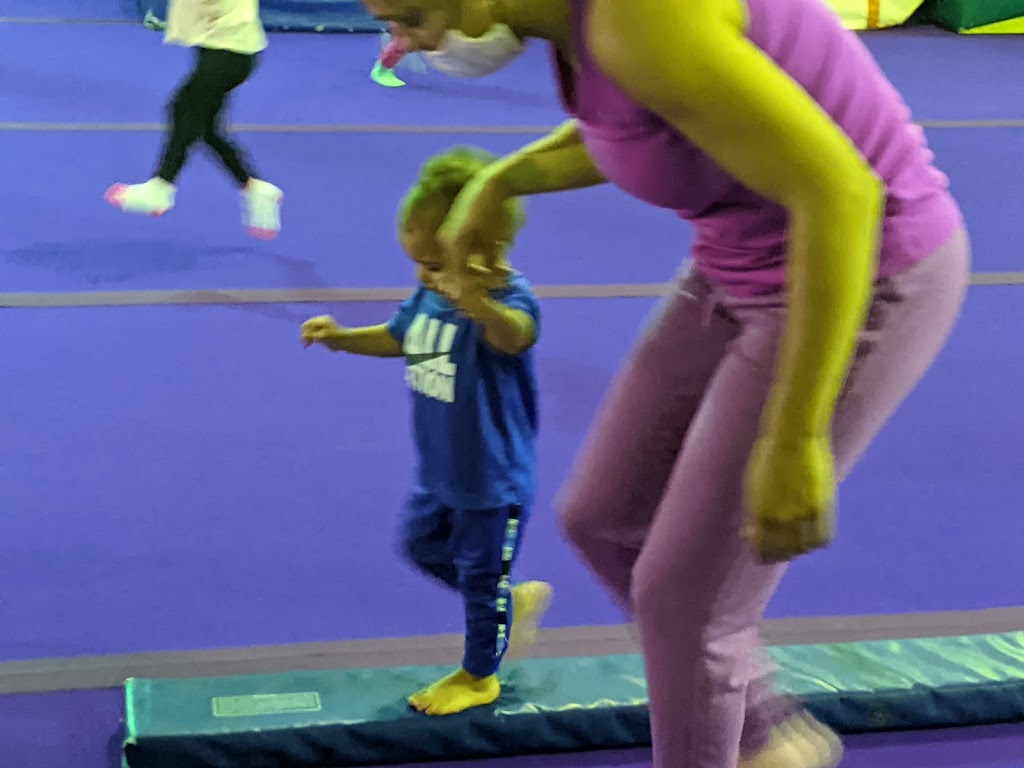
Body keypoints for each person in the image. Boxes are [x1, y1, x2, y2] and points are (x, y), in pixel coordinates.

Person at [360, 0, 970, 766]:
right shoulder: (577, 26)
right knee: (602, 518)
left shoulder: (642, 20)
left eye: (411, 17)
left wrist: (795, 435)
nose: (402, 44)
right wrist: (500, 182)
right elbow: (640, 128)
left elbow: (843, 194)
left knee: (686, 601)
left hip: (859, 272)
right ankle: (764, 740)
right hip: (736, 264)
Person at [301, 146, 554, 716]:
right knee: (420, 546)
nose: (422, 276)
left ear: (481, 251)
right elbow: (400, 336)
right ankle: (511, 600)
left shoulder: (509, 301)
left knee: (481, 578)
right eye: (418, 264)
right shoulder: (429, 297)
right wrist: (342, 339)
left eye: (434, 265)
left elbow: (516, 335)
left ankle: (479, 676)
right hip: (440, 469)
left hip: (492, 480)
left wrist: (476, 302)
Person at [105, 0, 283, 240]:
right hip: (221, 48)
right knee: (204, 125)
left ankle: (161, 186)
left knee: (184, 110)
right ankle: (255, 188)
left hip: (229, 52)